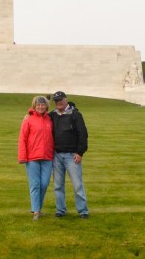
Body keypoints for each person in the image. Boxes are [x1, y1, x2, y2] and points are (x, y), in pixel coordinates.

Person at [49, 91, 89, 219]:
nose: (58, 102)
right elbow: (39, 115)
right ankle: (60, 209)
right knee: (58, 185)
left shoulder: (75, 114)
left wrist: (80, 152)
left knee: (77, 185)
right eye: (56, 101)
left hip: (72, 156)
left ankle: (83, 211)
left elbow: (83, 134)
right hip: (57, 155)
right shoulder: (53, 115)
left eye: (60, 100)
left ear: (65, 100)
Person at [18, 96, 54, 220]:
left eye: (42, 105)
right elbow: (22, 139)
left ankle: (37, 208)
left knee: (44, 184)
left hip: (47, 157)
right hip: (32, 157)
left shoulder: (50, 119)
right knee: (35, 184)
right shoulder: (28, 120)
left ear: (46, 106)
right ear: (34, 106)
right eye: (38, 105)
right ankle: (36, 211)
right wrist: (22, 156)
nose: (40, 107)